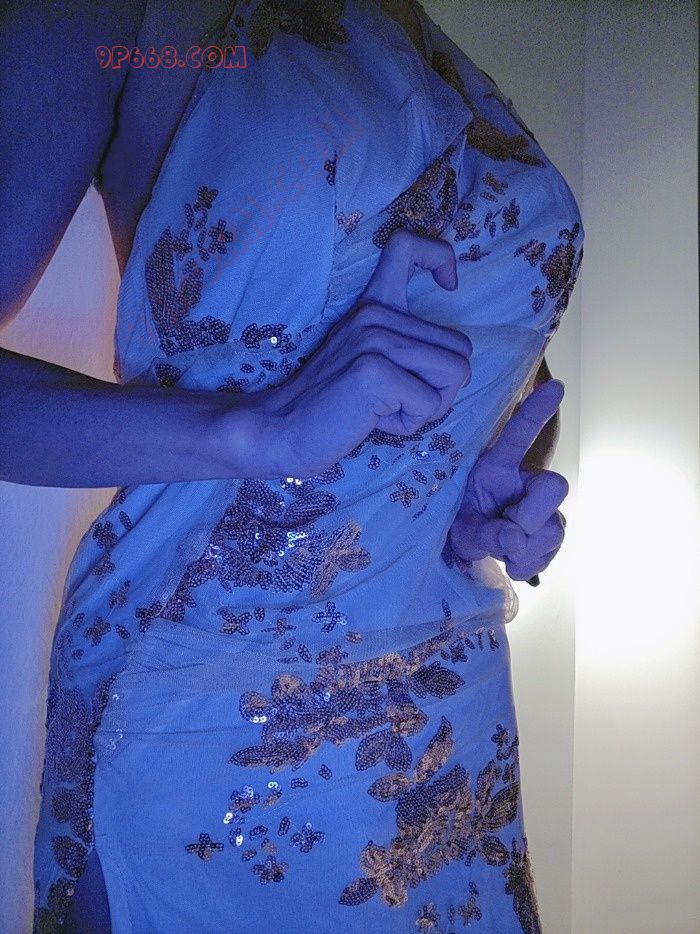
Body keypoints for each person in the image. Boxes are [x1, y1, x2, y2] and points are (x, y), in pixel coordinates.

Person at [0, 0, 584, 931]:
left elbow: (465, 373)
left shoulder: (405, 21)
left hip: (448, 692)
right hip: (216, 704)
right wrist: (258, 431)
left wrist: (464, 499)